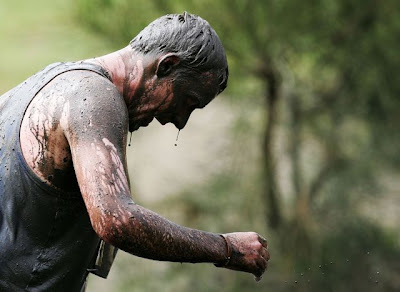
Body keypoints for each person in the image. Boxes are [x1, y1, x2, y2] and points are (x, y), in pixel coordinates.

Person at [0, 12, 269, 291]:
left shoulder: (30, 90)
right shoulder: (94, 98)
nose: (178, 121)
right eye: (187, 101)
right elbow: (116, 221)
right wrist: (226, 249)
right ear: (167, 66)